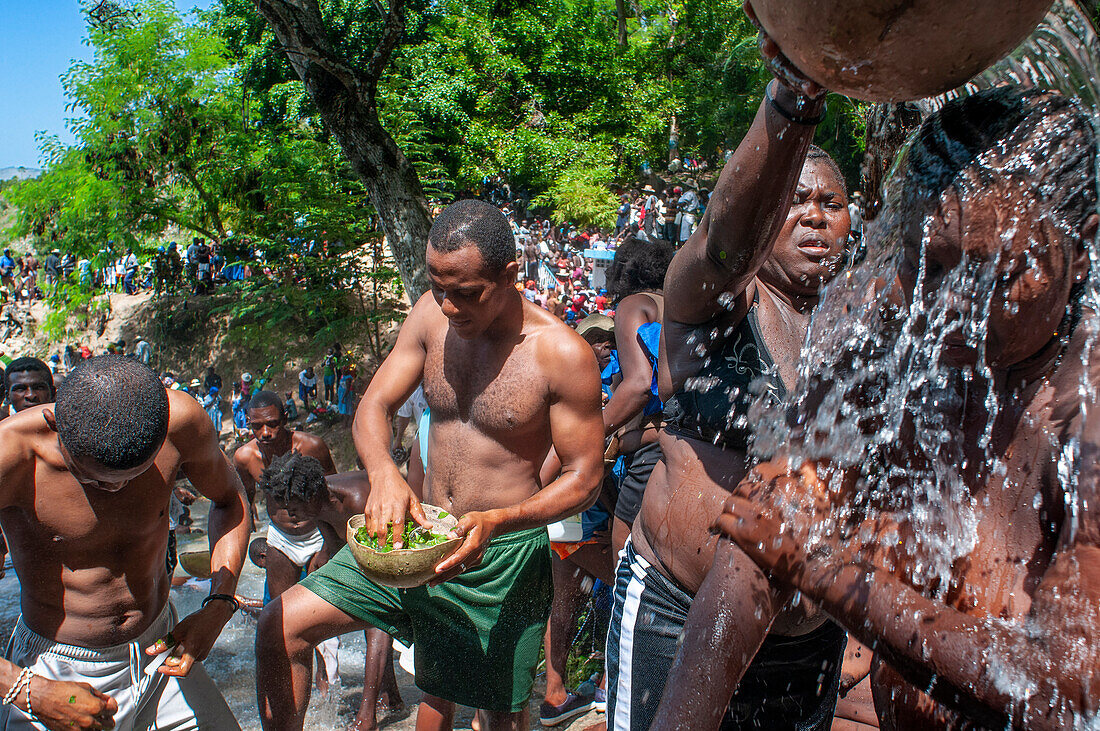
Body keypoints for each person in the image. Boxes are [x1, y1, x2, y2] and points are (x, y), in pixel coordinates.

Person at [700, 86, 1100, 731]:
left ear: (1078, 249)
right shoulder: (901, 329)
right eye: (930, 265)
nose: (951, 311)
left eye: (992, 273)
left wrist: (826, 571)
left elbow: (1064, 692)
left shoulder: (1088, 414)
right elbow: (763, 524)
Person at [256, 198, 605, 731]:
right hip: (412, 536)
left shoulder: (561, 354)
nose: (447, 306)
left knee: (499, 716)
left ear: (510, 275)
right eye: (437, 287)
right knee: (278, 626)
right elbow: (373, 407)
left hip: (497, 558)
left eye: (465, 293)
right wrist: (384, 473)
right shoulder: (428, 315)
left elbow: (585, 477)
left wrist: (500, 520)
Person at [609, 11, 853, 729]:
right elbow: (725, 237)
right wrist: (794, 98)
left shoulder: (863, 321)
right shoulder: (709, 307)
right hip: (675, 615)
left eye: (829, 203)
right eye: (794, 201)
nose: (812, 216)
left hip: (807, 642)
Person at [0, 355, 249, 730]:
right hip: (56, 671)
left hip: (162, 652)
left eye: (131, 477)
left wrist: (219, 603)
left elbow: (231, 499)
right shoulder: (11, 455)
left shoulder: (180, 420)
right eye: (94, 478)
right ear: (55, 423)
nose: (113, 488)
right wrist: (23, 688)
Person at [257, 453, 407, 731]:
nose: (290, 515)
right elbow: (335, 549)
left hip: (398, 558)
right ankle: (389, 694)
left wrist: (364, 712)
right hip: (366, 556)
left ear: (313, 496)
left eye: (294, 507)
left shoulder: (360, 502)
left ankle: (368, 713)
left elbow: (382, 586)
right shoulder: (321, 506)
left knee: (376, 620)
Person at [600, 236, 674, 555]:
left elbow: (640, 385)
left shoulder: (634, 304)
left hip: (655, 457)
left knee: (624, 560)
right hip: (698, 451)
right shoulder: (683, 305)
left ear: (622, 274)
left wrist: (592, 430)